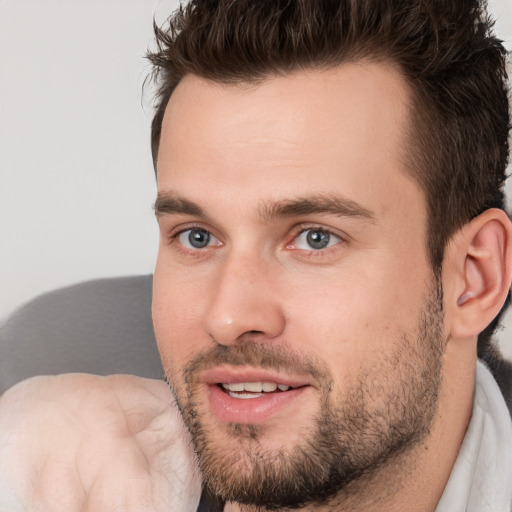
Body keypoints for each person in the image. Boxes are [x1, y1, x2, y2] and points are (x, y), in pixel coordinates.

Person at [0, 0, 511, 511]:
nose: (227, 318)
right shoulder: (39, 456)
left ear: (473, 278)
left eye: (315, 238)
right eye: (197, 236)